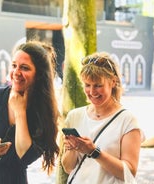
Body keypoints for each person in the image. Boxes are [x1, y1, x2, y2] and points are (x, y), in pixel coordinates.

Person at [0, 40, 60, 184]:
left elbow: (25, 156)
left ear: (39, 75)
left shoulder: (44, 113)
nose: (16, 73)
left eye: (24, 68)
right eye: (14, 66)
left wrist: (20, 112)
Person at [61, 52, 144, 184]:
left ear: (113, 82)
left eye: (98, 85)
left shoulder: (127, 120)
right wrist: (73, 148)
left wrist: (94, 152)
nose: (92, 92)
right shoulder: (74, 116)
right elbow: (68, 167)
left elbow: (129, 172)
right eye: (87, 85)